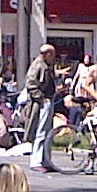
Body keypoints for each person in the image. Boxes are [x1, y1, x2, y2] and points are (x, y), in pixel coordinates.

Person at [24, 44, 64, 172]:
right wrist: (41, 98)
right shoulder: (38, 65)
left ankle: (46, 160)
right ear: (47, 54)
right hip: (42, 102)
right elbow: (30, 83)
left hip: (48, 100)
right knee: (41, 131)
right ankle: (36, 161)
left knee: (47, 132)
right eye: (52, 54)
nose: (53, 57)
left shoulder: (46, 65)